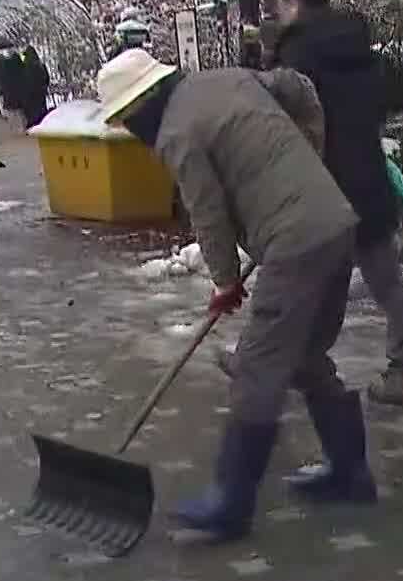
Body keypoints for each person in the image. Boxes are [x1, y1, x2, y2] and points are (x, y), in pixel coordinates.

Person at [97, 48, 376, 543]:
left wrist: (225, 280)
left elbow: (207, 212)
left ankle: (231, 502)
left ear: (140, 106)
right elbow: (299, 86)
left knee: (258, 367)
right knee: (306, 356)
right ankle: (350, 473)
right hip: (334, 223)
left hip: (294, 242)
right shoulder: (228, 79)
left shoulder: (176, 132)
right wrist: (311, 151)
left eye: (124, 119)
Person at [225, 0, 403, 409]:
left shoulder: (297, 54)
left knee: (297, 282)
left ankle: (269, 364)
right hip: (367, 178)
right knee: (377, 282)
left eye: (281, 3)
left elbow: (282, 122)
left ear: (294, 4)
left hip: (320, 185)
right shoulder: (359, 47)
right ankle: (402, 369)